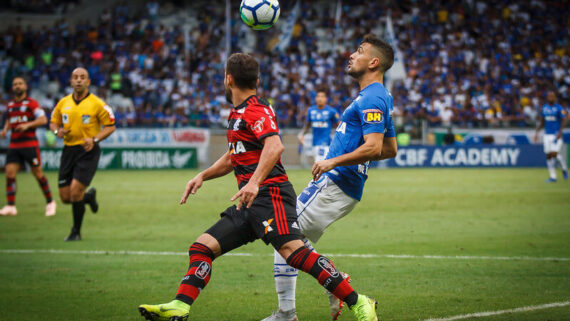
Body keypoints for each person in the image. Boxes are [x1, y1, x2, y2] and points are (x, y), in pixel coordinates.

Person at [138, 53, 378, 321]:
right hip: (249, 201)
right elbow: (233, 157)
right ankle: (181, 305)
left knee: (293, 253)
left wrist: (253, 182)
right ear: (257, 79)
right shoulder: (237, 113)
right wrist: (202, 176)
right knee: (202, 247)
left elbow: (275, 146)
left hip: (271, 195)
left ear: (228, 79)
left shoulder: (256, 109)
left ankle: (359, 302)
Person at [263, 34, 397, 321]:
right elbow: (390, 148)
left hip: (335, 182)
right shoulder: (378, 96)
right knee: (292, 241)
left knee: (282, 234)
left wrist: (332, 161)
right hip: (344, 186)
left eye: (359, 51)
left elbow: (375, 147)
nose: (351, 54)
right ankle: (335, 283)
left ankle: (290, 312)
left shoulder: (373, 96)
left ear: (374, 62)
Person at [49, 68, 116, 241]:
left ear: (88, 82)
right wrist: (58, 132)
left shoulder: (97, 103)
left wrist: (94, 139)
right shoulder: (63, 103)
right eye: (75, 77)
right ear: (71, 81)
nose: (79, 80)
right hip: (68, 151)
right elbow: (53, 123)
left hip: (88, 152)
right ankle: (89, 197)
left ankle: (75, 232)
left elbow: (110, 125)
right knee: (66, 197)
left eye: (82, 77)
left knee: (75, 192)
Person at [0, 76, 56, 217]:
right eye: (15, 84)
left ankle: (50, 202)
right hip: (14, 145)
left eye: (20, 83)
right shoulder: (11, 105)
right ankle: (11, 206)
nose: (17, 86)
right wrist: (5, 129)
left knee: (37, 174)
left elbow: (43, 119)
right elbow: (9, 118)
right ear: (12, 88)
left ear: (25, 86)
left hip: (30, 145)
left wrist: (27, 125)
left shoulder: (32, 104)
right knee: (10, 174)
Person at [534, 91, 568, 182]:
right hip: (547, 134)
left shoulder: (559, 108)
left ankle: (564, 169)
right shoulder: (544, 108)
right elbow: (542, 121)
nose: (551, 98)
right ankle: (553, 177)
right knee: (548, 156)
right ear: (547, 98)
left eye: (552, 96)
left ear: (555, 98)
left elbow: (564, 119)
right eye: (549, 96)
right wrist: (536, 132)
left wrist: (560, 132)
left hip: (556, 134)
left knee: (554, 154)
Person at [299, 88, 340, 163]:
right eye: (318, 96)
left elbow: (340, 125)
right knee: (319, 163)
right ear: (315, 98)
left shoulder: (331, 111)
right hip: (314, 143)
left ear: (326, 99)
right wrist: (302, 135)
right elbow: (307, 125)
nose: (320, 99)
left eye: (322, 96)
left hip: (325, 143)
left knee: (320, 163)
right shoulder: (311, 111)